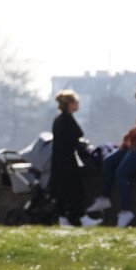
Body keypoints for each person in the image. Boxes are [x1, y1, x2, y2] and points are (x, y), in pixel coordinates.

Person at [85, 81, 136, 227]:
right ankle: (105, 197)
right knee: (108, 161)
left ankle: (125, 211)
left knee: (122, 173)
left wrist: (128, 136)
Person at [50, 91, 102, 227]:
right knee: (74, 190)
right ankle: (81, 218)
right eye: (76, 102)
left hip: (59, 160)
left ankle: (65, 218)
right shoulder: (67, 120)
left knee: (63, 190)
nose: (78, 105)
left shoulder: (59, 119)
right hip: (67, 160)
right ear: (70, 104)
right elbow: (76, 140)